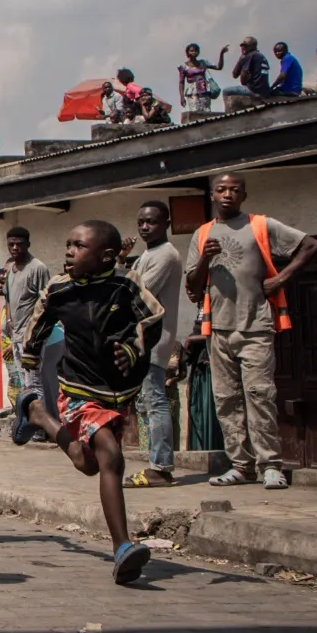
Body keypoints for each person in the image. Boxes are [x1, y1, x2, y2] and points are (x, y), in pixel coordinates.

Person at [10, 220, 166, 584]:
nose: (69, 252)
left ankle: (36, 414)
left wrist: (132, 348)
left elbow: (154, 318)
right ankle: (123, 547)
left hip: (119, 392)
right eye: (67, 244)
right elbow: (37, 324)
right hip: (78, 389)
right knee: (111, 454)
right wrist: (29, 362)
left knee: (87, 463)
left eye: (78, 246)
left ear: (106, 256)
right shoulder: (59, 289)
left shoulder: (126, 285)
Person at [184, 173, 317, 489]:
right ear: (212, 195)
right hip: (217, 328)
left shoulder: (260, 225)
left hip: (255, 325)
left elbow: (311, 245)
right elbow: (191, 285)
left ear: (244, 195)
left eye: (234, 190)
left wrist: (282, 278)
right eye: (221, 190)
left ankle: (270, 465)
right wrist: (205, 257)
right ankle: (240, 466)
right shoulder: (202, 233)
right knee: (226, 400)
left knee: (260, 396)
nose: (227, 195)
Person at [124, 200, 185, 488]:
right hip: (143, 338)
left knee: (155, 401)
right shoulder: (147, 254)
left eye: (152, 222)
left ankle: (160, 467)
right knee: (148, 403)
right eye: (141, 223)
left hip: (153, 338)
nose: (145, 227)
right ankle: (156, 463)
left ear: (166, 224)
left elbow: (138, 295)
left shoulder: (166, 255)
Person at [0, 227, 52, 404]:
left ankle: (38, 429)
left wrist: (35, 333)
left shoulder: (37, 268)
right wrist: (10, 321)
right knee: (24, 383)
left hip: (32, 337)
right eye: (11, 244)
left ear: (28, 244)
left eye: (19, 244)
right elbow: (8, 297)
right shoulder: (11, 269)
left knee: (34, 383)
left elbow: (47, 303)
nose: (14, 248)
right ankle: (29, 422)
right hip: (16, 336)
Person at [177, 42, 228, 116]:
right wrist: (181, 97)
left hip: (204, 89)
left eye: (195, 51)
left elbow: (218, 67)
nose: (194, 52)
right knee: (194, 111)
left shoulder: (203, 63)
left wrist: (221, 54)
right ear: (188, 53)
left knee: (206, 111)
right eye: (191, 51)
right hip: (192, 92)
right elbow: (181, 82)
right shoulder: (184, 67)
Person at [222, 37, 269, 105]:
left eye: (246, 46)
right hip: (264, 91)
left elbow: (242, 79)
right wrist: (241, 59)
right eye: (242, 46)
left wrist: (242, 58)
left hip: (254, 90)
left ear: (253, 46)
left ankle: (229, 112)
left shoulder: (250, 55)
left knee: (225, 91)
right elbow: (235, 75)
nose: (243, 48)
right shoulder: (261, 56)